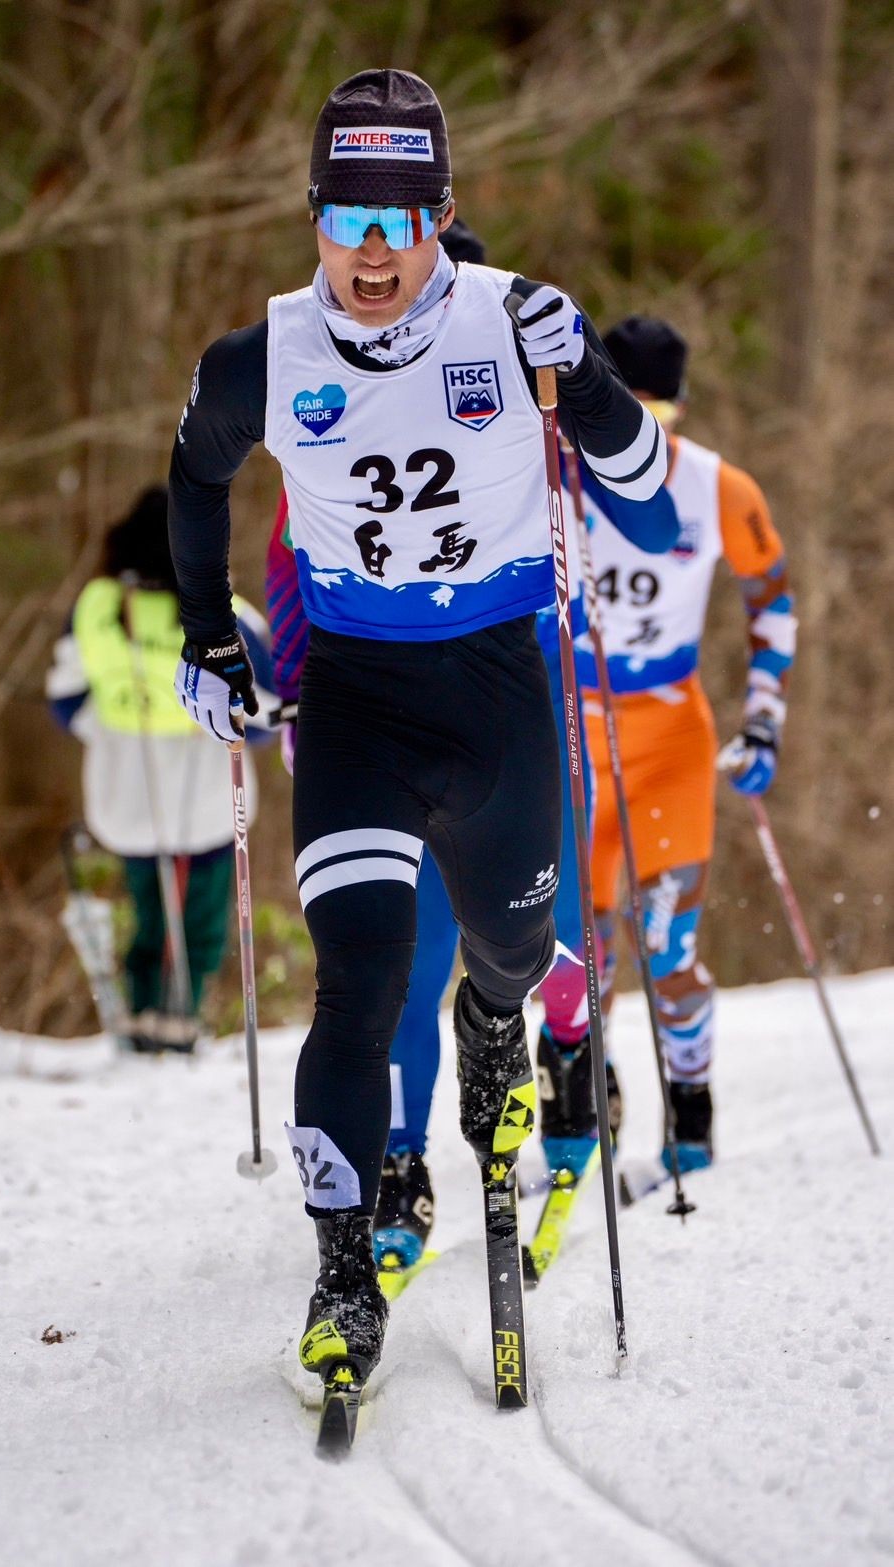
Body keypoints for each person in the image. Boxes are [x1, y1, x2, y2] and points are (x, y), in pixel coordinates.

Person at [168, 69, 668, 1386]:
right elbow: (194, 474)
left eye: (403, 216)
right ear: (314, 216)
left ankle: (497, 1026)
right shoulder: (261, 355)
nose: (376, 249)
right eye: (350, 214)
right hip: (355, 698)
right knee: (358, 972)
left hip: (499, 689)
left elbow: (643, 492)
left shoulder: (514, 325)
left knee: (510, 949)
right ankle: (344, 1272)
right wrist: (210, 634)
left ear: (442, 214)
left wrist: (594, 379)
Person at [265, 217, 679, 1278]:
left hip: (517, 694)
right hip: (383, 715)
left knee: (532, 927)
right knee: (401, 958)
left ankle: (573, 1050)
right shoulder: (338, 408)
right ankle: (399, 1155)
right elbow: (287, 560)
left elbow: (641, 516)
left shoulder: (528, 398)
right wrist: (285, 689)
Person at [574, 316, 797, 1170]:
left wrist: (764, 716)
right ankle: (581, 1106)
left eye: (657, 419)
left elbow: (772, 601)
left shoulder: (716, 486)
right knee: (579, 961)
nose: (638, 438)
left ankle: (691, 1107)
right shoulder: (549, 477)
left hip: (668, 735)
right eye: (619, 413)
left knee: (666, 945)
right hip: (574, 738)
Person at [46, 486, 274, 1047]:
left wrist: (106, 721)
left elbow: (65, 698)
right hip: (208, 791)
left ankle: (143, 1009)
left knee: (149, 908)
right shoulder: (223, 610)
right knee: (201, 914)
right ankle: (183, 1013)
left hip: (126, 786)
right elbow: (265, 712)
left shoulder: (98, 607)